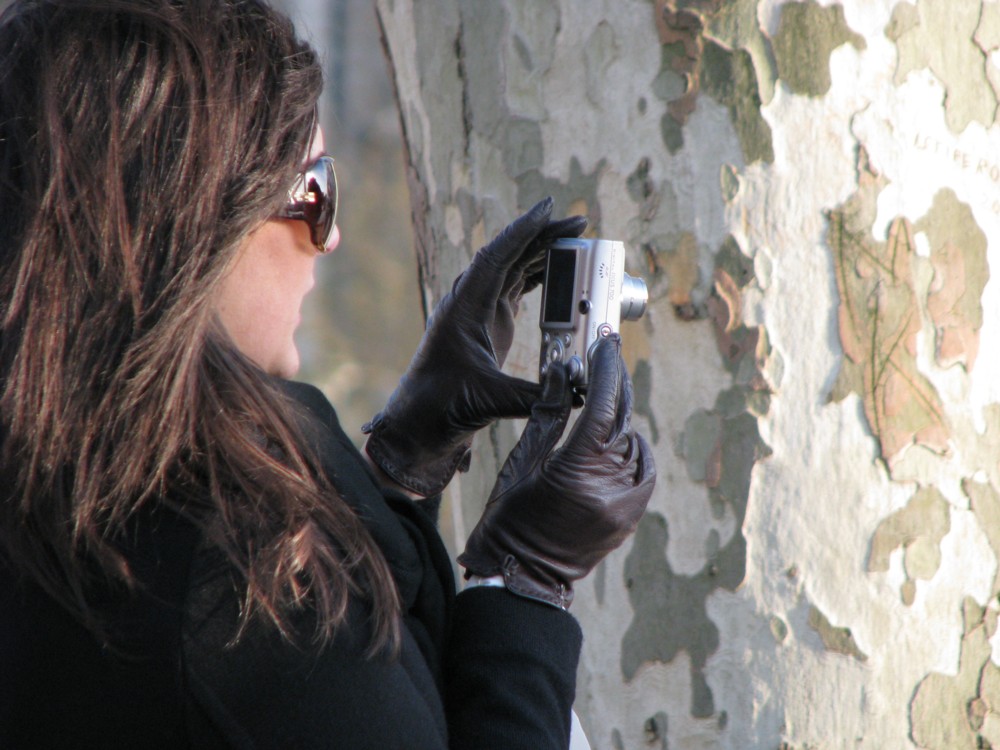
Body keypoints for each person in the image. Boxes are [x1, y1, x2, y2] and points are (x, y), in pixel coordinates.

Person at [0, 1, 656, 748]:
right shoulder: (240, 595)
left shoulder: (73, 492)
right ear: (194, 221)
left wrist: (403, 469)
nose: (333, 234)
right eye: (313, 191)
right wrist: (527, 584)